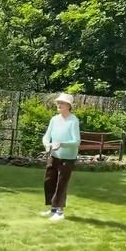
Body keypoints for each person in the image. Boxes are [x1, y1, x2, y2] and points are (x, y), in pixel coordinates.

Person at [41, 93, 81, 221]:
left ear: (68, 106)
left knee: (61, 183)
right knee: (49, 180)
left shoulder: (73, 121)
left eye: (62, 103)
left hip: (68, 158)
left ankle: (59, 211)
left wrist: (62, 145)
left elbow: (76, 142)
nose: (58, 105)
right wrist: (47, 144)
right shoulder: (54, 119)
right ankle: (53, 209)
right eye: (58, 103)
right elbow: (47, 136)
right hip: (54, 155)